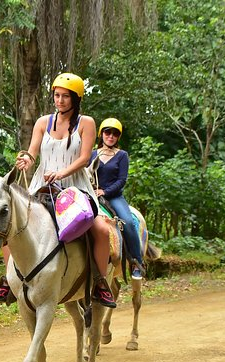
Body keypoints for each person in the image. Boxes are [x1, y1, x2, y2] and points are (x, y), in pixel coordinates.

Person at [13, 72, 117, 308]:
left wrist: (61, 173)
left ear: (76, 99)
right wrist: (26, 160)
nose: (59, 101)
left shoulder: (87, 123)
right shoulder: (42, 122)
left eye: (65, 97)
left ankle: (101, 282)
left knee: (100, 229)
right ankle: (8, 282)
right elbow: (32, 152)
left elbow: (83, 158)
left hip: (75, 187)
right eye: (57, 96)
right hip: (43, 186)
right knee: (13, 223)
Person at [90, 118, 144, 280]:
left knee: (127, 221)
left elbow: (121, 181)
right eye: (107, 132)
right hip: (91, 194)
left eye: (115, 134)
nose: (111, 136)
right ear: (101, 134)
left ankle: (136, 262)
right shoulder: (92, 154)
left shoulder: (122, 155)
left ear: (118, 137)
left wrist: (104, 192)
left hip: (113, 197)